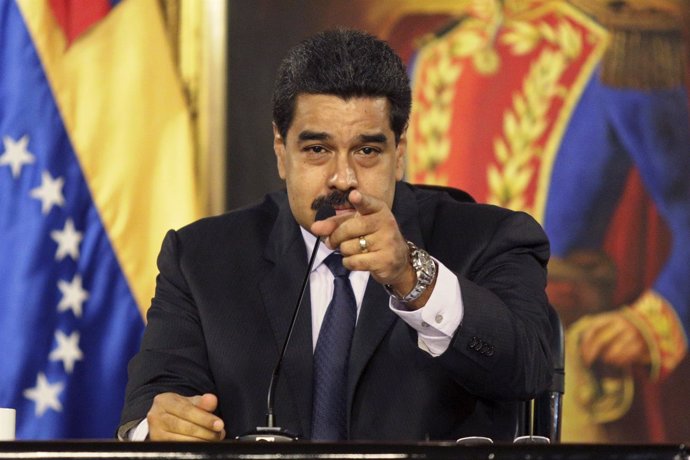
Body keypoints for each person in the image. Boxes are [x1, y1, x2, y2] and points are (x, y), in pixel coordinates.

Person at [119, 28, 553, 442]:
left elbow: (530, 369)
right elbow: (154, 401)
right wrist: (161, 424)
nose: (342, 178)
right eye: (317, 150)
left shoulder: (492, 239)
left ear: (398, 154)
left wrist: (413, 279)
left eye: (366, 151)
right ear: (280, 152)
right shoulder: (200, 259)